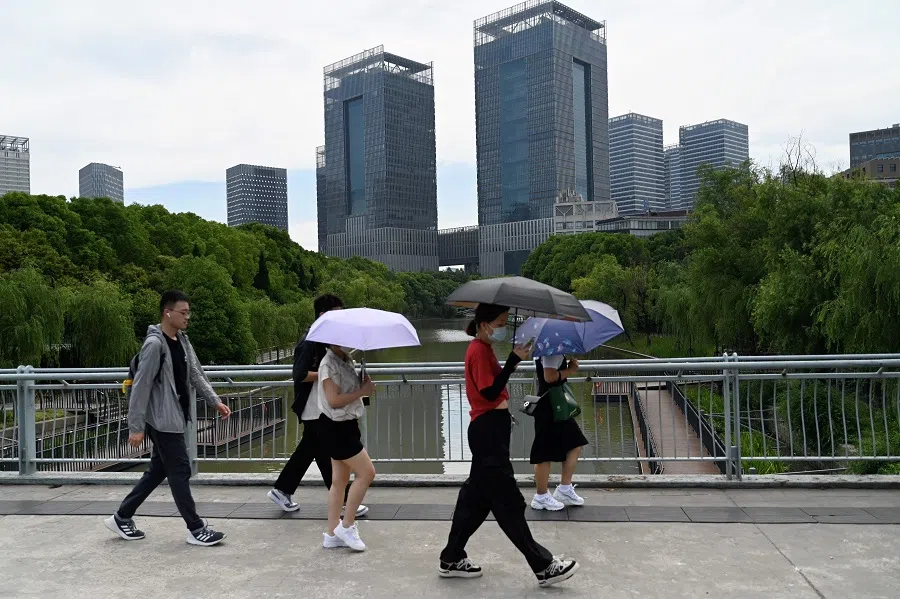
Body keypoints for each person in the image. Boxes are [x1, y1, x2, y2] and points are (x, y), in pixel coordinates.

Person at [439, 303, 579, 587]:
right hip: (487, 431)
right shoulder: (477, 351)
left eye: (505, 322)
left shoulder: (484, 349)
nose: (503, 327)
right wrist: (513, 362)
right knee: (508, 503)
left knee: (475, 501)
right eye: (500, 322)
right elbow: (488, 391)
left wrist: (513, 361)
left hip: (490, 430)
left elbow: (493, 386)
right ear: (484, 323)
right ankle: (543, 566)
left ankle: (451, 556)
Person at [105, 290, 231, 546]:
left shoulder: (182, 341)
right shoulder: (154, 345)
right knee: (180, 469)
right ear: (168, 312)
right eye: (183, 313)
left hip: (175, 416)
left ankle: (122, 517)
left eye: (188, 313)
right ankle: (196, 529)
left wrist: (215, 401)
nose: (187, 317)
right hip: (161, 420)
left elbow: (196, 374)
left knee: (157, 471)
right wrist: (136, 427)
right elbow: (140, 387)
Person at [267, 294, 368, 518]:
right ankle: (341, 500)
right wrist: (328, 374)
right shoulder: (310, 340)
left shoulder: (323, 339)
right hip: (314, 406)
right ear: (323, 315)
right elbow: (299, 374)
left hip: (320, 406)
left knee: (315, 449)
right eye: (337, 312)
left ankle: (283, 490)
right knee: (323, 451)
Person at [318, 343, 377, 551]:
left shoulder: (346, 359)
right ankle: (347, 525)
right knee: (367, 473)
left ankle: (332, 533)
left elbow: (347, 394)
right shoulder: (328, 364)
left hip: (346, 425)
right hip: (337, 427)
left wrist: (363, 387)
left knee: (339, 481)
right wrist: (361, 390)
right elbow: (333, 400)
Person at [529, 354, 588, 511]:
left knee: (575, 443)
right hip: (550, 407)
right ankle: (541, 496)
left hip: (556, 405)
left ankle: (564, 488)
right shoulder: (551, 352)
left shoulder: (551, 350)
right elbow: (549, 377)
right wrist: (570, 370)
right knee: (544, 452)